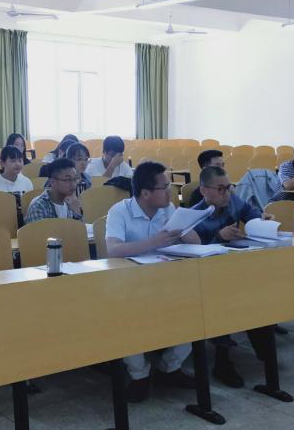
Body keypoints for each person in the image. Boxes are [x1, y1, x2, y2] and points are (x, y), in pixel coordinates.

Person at [105, 161, 199, 401]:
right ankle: (139, 375)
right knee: (126, 318)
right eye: (164, 187)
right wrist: (153, 242)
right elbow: (113, 250)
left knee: (196, 308)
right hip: (129, 284)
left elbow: (195, 242)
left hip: (165, 280)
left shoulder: (167, 209)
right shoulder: (120, 211)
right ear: (146, 193)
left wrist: (184, 224)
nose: (170, 191)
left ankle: (170, 368)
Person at [190, 165, 278, 387]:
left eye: (229, 187)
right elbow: (192, 254)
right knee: (226, 300)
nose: (226, 193)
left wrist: (263, 219)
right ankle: (222, 362)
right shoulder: (194, 216)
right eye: (220, 189)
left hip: (237, 271)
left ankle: (267, 355)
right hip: (206, 279)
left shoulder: (235, 202)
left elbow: (253, 215)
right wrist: (218, 237)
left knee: (260, 294)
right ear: (204, 190)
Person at [24, 157, 84, 224]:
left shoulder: (72, 201)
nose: (73, 184)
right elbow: (41, 231)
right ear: (52, 182)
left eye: (75, 178)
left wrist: (77, 213)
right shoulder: (39, 206)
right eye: (68, 180)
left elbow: (81, 229)